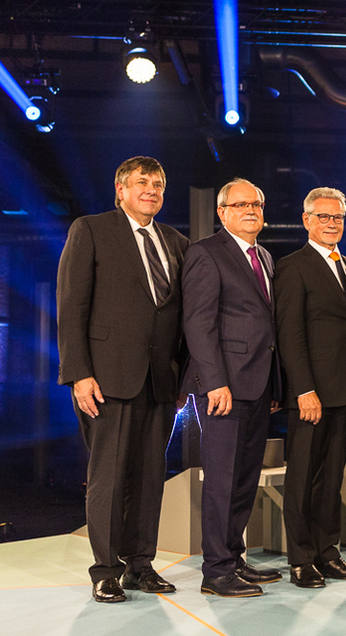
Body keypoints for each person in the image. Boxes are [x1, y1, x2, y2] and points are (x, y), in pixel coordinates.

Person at [56, 156, 189, 602]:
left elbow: (181, 316)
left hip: (161, 382)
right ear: (120, 189)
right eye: (141, 182)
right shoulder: (91, 229)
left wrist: (183, 378)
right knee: (109, 478)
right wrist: (78, 373)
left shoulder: (176, 241)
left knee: (151, 477)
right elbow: (72, 305)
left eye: (158, 183)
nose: (151, 189)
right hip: (107, 378)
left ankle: (140, 565)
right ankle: (106, 570)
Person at [182, 178, 283, 597]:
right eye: (240, 205)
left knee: (244, 479)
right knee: (222, 480)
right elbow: (198, 324)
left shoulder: (264, 255)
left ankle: (234, 558)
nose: (250, 211)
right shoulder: (206, 253)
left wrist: (275, 382)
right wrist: (215, 382)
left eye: (256, 204)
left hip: (259, 384)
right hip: (225, 387)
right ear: (222, 212)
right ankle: (215, 571)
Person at [274, 187, 346, 589]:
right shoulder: (292, 267)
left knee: (332, 478)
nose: (332, 224)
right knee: (301, 479)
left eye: (338, 218)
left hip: (345, 392)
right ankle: (300, 559)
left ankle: (328, 553)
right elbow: (289, 334)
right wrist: (303, 389)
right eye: (324, 217)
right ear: (307, 220)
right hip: (310, 395)